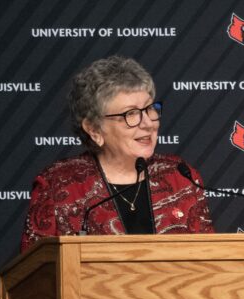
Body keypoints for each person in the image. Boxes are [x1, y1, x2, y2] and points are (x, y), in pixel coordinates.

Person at [21, 56, 214, 252]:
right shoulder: (57, 185)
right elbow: (36, 274)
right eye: (130, 114)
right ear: (94, 129)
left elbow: (212, 258)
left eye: (149, 109)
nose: (147, 123)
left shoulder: (179, 177)